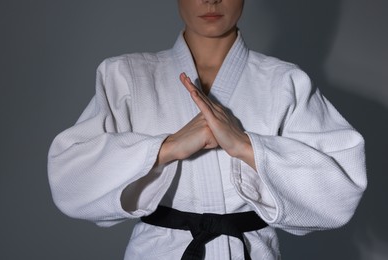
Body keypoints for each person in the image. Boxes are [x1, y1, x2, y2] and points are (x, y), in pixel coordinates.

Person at [48, 0, 367, 259]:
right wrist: (165, 148)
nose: (211, 0)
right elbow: (70, 182)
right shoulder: (126, 77)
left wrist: (246, 146)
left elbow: (341, 194)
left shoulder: (285, 82)